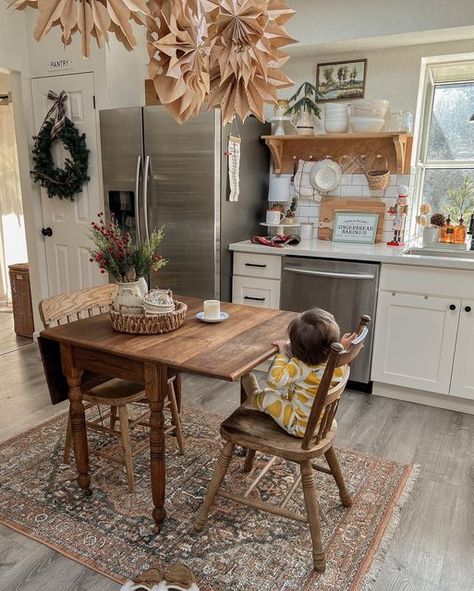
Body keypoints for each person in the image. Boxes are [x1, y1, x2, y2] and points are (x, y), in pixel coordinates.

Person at [241, 308, 357, 438]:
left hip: (300, 426)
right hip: (322, 423)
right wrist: (341, 346)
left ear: (297, 349)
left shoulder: (299, 366)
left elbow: (274, 381)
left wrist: (283, 354)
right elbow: (332, 352)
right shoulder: (337, 361)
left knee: (269, 395)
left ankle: (253, 396)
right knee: (286, 390)